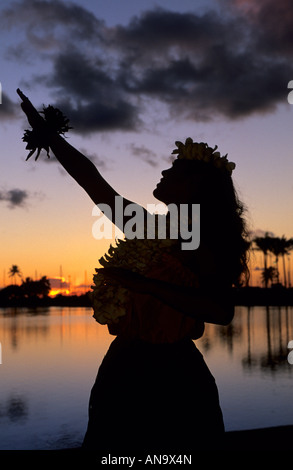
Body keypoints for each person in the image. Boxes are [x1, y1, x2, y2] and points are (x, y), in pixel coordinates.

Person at [18, 91, 250, 451]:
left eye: (174, 170)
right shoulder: (150, 228)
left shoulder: (202, 240)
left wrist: (143, 283)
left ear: (194, 186)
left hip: (173, 376)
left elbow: (220, 310)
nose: (163, 171)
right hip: (124, 364)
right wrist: (50, 137)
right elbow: (92, 183)